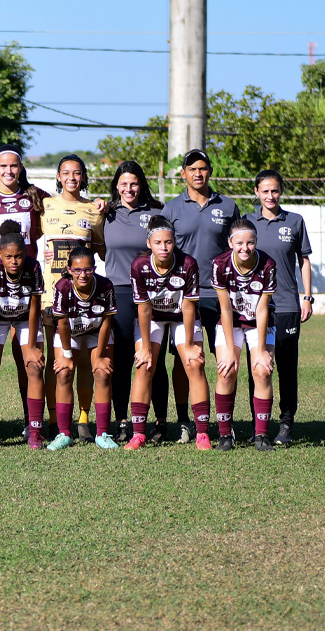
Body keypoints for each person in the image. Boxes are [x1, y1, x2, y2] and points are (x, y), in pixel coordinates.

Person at [161, 149, 239, 443]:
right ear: (183, 173)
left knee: (225, 359)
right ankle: (185, 421)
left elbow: (237, 250)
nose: (198, 173)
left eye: (203, 168)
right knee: (186, 361)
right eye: (192, 168)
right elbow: (163, 252)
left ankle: (224, 423)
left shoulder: (228, 207)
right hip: (184, 298)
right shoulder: (171, 209)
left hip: (220, 296)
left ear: (210, 172)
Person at [126, 215, 211, 451]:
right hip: (152, 317)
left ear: (174, 242)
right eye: (158, 242)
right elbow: (143, 309)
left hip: (182, 317)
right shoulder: (139, 266)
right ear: (149, 243)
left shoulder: (188, 263)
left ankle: (202, 433)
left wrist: (192, 344)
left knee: (194, 363)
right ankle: (139, 434)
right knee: (145, 366)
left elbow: (188, 305)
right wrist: (144, 347)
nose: (164, 247)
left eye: (168, 242)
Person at [100, 161, 169, 443]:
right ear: (116, 185)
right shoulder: (106, 213)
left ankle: (161, 422)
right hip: (118, 293)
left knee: (155, 359)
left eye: (134, 183)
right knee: (123, 359)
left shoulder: (157, 212)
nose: (129, 189)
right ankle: (123, 421)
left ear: (141, 184)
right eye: (123, 184)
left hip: (153, 293)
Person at [244, 169, 312, 446]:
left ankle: (286, 423)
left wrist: (307, 297)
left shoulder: (294, 221)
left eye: (275, 190)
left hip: (285, 306)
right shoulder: (247, 222)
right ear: (257, 193)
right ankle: (258, 424)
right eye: (265, 191)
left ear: (280, 191)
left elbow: (304, 261)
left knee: (286, 366)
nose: (270, 196)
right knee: (258, 365)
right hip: (252, 307)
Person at [40, 155, 104, 442]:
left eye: (77, 173)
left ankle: (83, 419)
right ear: (58, 176)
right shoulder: (44, 205)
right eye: (66, 173)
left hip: (84, 299)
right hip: (51, 295)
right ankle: (55, 420)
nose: (72, 178)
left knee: (82, 363)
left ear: (83, 176)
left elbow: (102, 250)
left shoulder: (94, 210)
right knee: (58, 362)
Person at [0, 221, 46, 449]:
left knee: (34, 366)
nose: (14, 261)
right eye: (8, 257)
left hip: (26, 317)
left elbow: (35, 307)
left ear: (25, 253)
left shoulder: (34, 268)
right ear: (0, 254)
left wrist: (33, 345)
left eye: (18, 256)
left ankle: (35, 430)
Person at [211, 219, 278, 451]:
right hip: (231, 323)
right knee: (227, 370)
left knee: (262, 371)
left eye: (250, 243)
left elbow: (262, 309)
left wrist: (260, 351)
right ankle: (224, 436)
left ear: (256, 242)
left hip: (259, 323)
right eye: (239, 242)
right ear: (230, 242)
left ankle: (261, 436)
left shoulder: (268, 263)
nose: (245, 248)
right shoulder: (219, 264)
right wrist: (230, 350)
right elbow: (226, 309)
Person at [48, 247, 116, 450]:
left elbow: (106, 322)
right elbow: (62, 323)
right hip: (70, 333)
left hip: (97, 330)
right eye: (77, 270)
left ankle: (103, 434)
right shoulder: (62, 287)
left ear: (94, 269)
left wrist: (101, 355)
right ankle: (64, 434)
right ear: (69, 269)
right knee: (64, 372)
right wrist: (67, 354)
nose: (82, 275)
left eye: (87, 270)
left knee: (103, 373)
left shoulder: (105, 285)